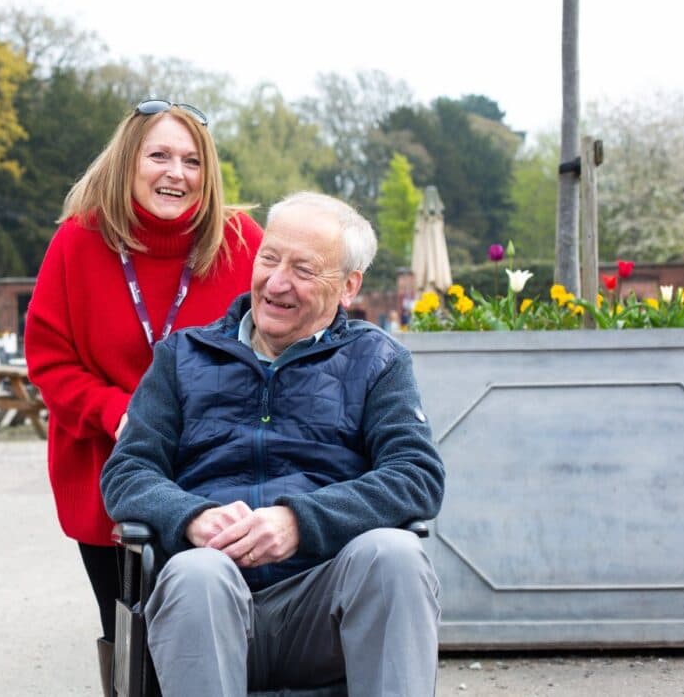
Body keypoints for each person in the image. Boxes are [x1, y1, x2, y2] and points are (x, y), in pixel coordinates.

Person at [101, 191, 445, 697]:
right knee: (197, 575)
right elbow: (126, 471)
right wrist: (190, 516)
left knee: (394, 555)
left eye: (304, 270)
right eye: (269, 258)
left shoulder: (378, 361)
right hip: (209, 602)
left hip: (324, 604)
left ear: (348, 286)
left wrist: (300, 522)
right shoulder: (183, 356)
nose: (276, 282)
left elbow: (417, 476)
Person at [23, 99, 263, 695]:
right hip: (109, 467)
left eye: (191, 161)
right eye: (158, 155)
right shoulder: (78, 241)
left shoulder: (242, 241)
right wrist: (119, 412)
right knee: (130, 636)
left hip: (217, 472)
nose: (175, 173)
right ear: (128, 161)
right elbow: (49, 359)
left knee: (212, 630)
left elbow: (277, 342)